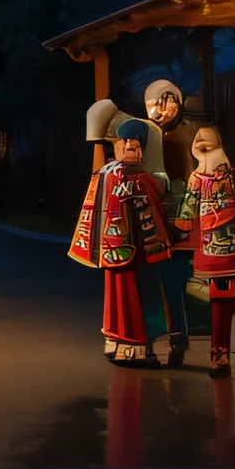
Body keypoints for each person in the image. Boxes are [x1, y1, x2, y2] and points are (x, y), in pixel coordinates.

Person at [70, 120, 179, 364]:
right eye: (125, 144)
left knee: (138, 295)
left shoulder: (140, 178)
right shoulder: (111, 175)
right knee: (118, 295)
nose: (130, 149)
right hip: (115, 247)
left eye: (134, 145)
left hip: (137, 250)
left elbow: (154, 209)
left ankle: (135, 344)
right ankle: (117, 338)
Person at [182, 126, 235, 381]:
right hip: (233, 255)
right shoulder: (228, 176)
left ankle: (230, 358)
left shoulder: (205, 178)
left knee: (234, 306)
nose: (203, 149)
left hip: (226, 255)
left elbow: (185, 219)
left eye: (207, 146)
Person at [142, 82, 197, 368]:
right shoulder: (142, 134)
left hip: (180, 216)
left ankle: (178, 339)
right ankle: (147, 340)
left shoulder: (192, 132)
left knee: (175, 283)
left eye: (168, 102)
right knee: (149, 283)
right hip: (148, 216)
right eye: (154, 103)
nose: (161, 110)